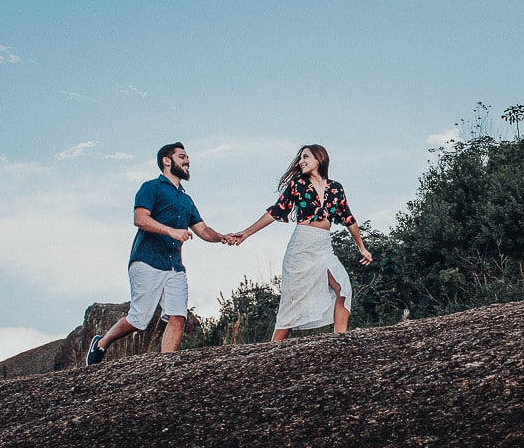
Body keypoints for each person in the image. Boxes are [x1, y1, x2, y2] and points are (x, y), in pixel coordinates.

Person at [86, 142, 232, 364]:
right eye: (182, 157)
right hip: (147, 260)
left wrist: (223, 237)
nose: (187, 161)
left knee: (178, 316)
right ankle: (101, 343)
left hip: (175, 266)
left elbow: (202, 229)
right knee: (139, 319)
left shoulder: (186, 199)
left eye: (188, 158)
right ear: (167, 160)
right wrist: (171, 231)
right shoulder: (151, 187)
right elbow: (140, 219)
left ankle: (165, 367)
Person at [229, 144, 372, 341]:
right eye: (300, 158)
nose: (301, 161)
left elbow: (348, 218)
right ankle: (271, 350)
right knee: (292, 304)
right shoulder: (298, 184)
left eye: (305, 157)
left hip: (323, 247)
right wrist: (246, 233)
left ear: (319, 159)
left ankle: (340, 341)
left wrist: (362, 248)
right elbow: (276, 211)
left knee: (343, 287)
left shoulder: (336, 188)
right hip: (300, 247)